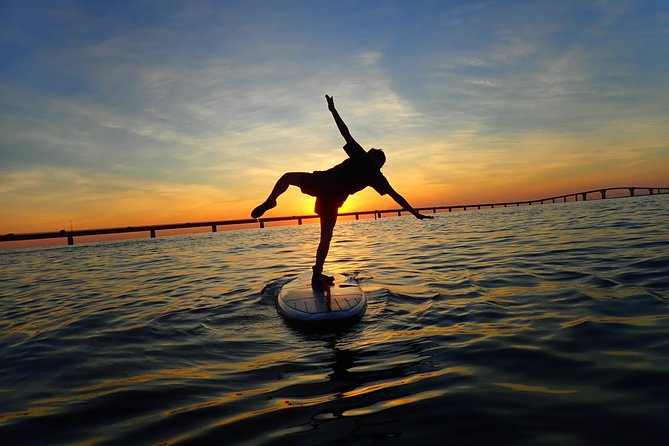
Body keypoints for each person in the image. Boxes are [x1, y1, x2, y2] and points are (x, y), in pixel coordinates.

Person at [252, 95, 432, 289]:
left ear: (373, 157)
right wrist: (414, 213)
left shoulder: (365, 160)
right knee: (325, 239)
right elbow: (396, 195)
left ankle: (272, 201)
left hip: (321, 183)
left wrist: (332, 110)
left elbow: (345, 132)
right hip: (331, 198)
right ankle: (316, 273)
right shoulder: (376, 175)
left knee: (288, 178)